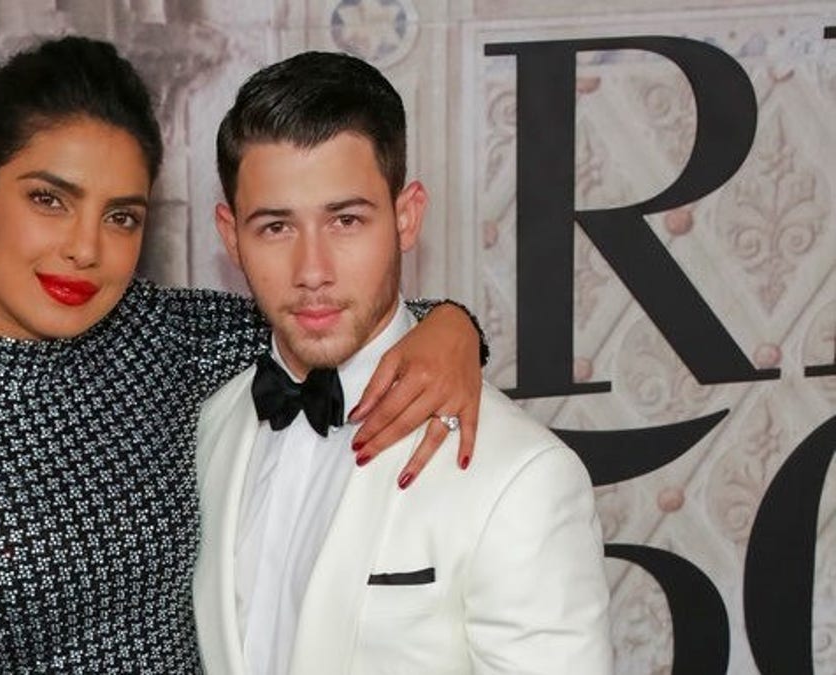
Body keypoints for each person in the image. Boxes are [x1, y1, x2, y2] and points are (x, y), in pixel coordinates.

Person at [0, 37, 488, 673]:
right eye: (49, 199)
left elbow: (332, 319)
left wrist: (452, 325)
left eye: (120, 215)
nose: (86, 247)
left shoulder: (168, 339)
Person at [193, 51, 611, 674]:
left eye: (346, 220)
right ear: (231, 237)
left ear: (406, 216)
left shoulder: (522, 476)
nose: (313, 272)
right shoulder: (216, 424)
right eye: (276, 227)